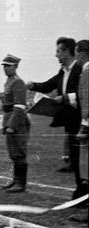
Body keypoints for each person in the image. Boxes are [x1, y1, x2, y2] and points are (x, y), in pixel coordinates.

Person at [27, 37, 82, 177]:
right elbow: (48, 85)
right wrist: (33, 85)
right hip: (71, 121)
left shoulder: (80, 69)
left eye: (58, 51)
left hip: (83, 119)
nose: (56, 55)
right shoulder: (63, 72)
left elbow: (84, 94)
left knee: (82, 158)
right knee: (76, 158)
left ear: (67, 52)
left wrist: (64, 98)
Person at [0, 54, 31, 193]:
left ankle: (21, 183)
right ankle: (16, 179)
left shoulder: (18, 82)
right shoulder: (9, 81)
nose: (5, 68)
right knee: (13, 152)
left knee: (19, 151)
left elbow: (19, 106)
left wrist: (12, 125)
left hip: (17, 120)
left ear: (15, 67)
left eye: (8, 66)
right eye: (4, 66)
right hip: (9, 117)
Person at [69, 40, 89, 222]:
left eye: (76, 53)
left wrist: (83, 126)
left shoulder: (87, 72)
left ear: (82, 53)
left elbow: (88, 103)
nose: (75, 57)